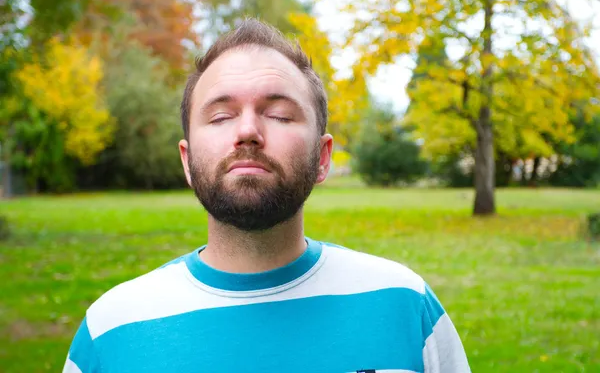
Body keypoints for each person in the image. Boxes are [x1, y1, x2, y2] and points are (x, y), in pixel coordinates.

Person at [63, 18, 470, 373]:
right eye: (220, 116)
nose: (247, 131)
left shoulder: (404, 306)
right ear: (187, 162)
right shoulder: (110, 330)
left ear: (322, 157)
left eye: (278, 114)